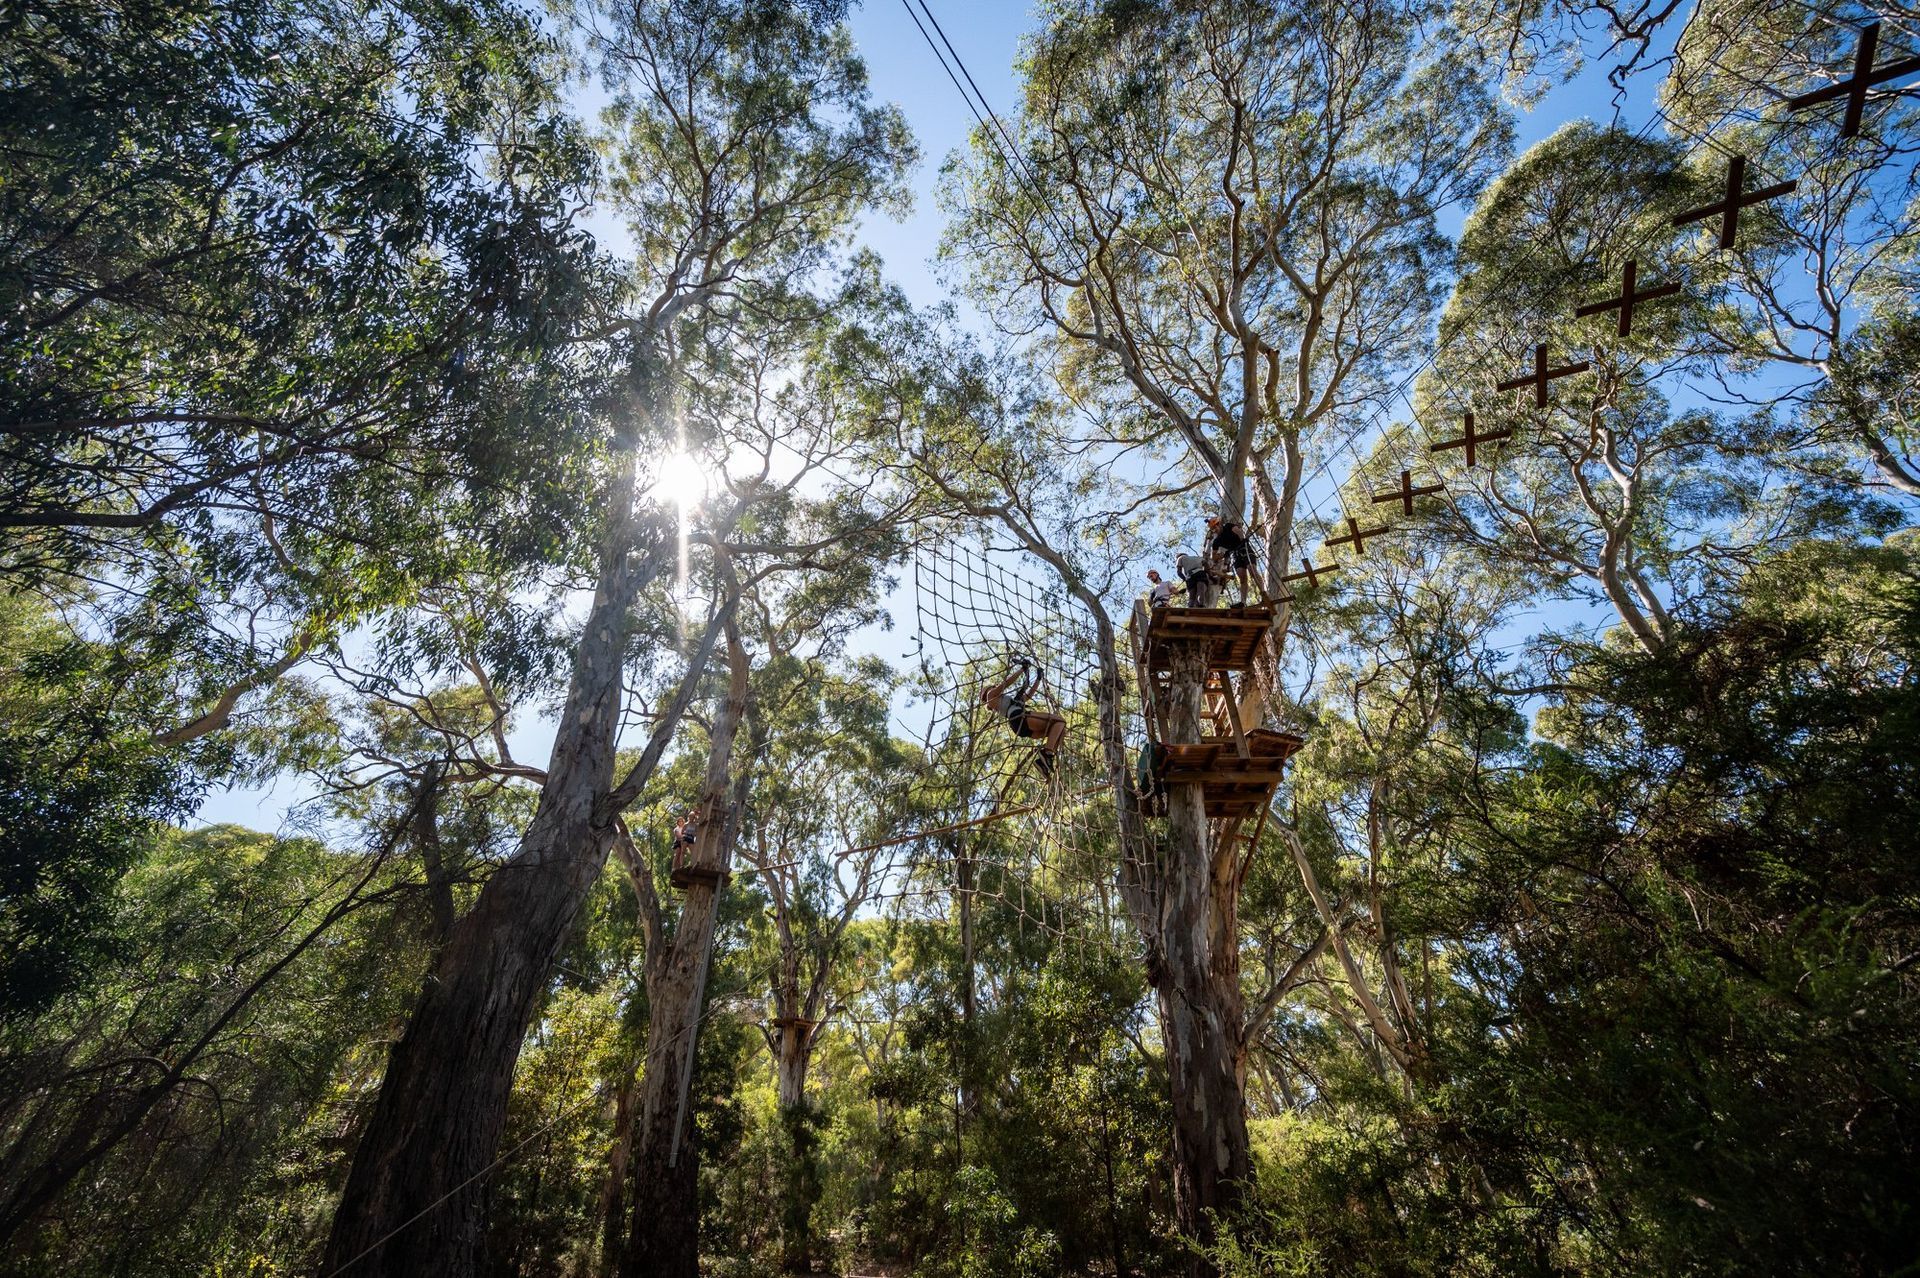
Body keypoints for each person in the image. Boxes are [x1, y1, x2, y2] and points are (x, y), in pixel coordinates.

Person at [980, 657, 1068, 777]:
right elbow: (1006, 683)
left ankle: (1046, 758)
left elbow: (1028, 694)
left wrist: (1038, 678)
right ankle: (1046, 754)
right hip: (1019, 717)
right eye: (992, 687)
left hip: (1020, 727)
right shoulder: (991, 697)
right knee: (1060, 721)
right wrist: (1022, 669)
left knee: (1060, 729)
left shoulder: (1011, 701)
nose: (994, 687)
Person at [1205, 516, 1256, 607]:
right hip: (1235, 554)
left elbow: (1238, 531)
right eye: (1212, 530)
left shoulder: (1228, 526)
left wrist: (1242, 541)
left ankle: (1263, 593)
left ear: (1219, 524)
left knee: (1252, 571)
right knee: (1242, 578)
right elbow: (1214, 557)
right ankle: (1243, 602)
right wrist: (1224, 555)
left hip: (1244, 548)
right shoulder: (1217, 541)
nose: (1214, 531)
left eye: (1215, 528)